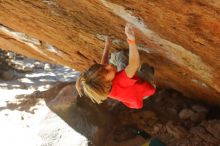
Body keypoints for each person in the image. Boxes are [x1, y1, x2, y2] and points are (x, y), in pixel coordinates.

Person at [76, 23, 156, 109]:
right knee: (145, 66)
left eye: (103, 68)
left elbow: (103, 65)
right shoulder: (120, 82)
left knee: (120, 56)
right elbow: (134, 64)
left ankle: (131, 74)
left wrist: (107, 45)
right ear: (108, 82)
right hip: (145, 89)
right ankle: (149, 71)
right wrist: (131, 40)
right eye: (107, 70)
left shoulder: (104, 88)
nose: (108, 66)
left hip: (132, 95)